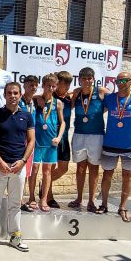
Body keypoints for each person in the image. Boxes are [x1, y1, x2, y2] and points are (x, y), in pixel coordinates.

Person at [0, 82, 35, 252]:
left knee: (15, 204)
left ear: (20, 95)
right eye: (9, 93)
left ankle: (15, 236)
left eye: (15, 93)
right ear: (5, 95)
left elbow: (31, 141)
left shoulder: (27, 116)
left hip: (18, 167)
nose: (12, 96)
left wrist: (22, 161)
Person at [98, 72, 131, 222]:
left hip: (130, 146)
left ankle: (123, 207)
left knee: (127, 176)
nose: (121, 82)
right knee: (107, 175)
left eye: (124, 80)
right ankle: (104, 204)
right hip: (110, 144)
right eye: (118, 80)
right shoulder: (110, 98)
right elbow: (97, 91)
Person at [67, 67, 107, 212]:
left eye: (89, 78)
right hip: (79, 134)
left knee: (94, 168)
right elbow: (65, 104)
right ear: (79, 80)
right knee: (80, 168)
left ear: (93, 79)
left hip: (96, 135)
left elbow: (118, 100)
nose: (87, 81)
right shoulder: (76, 93)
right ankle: (79, 198)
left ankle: (91, 200)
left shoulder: (101, 92)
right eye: (84, 78)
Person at [26, 73, 65, 213]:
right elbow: (27, 97)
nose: (51, 88)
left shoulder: (58, 103)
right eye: (48, 85)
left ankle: (44, 199)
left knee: (47, 171)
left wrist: (59, 137)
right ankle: (31, 197)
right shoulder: (35, 100)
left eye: (53, 86)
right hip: (36, 142)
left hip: (51, 143)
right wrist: (37, 97)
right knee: (34, 170)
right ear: (43, 86)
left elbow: (63, 123)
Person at [45, 71, 74, 208]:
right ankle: (48, 196)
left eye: (69, 83)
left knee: (63, 168)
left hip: (63, 137)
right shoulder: (50, 96)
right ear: (58, 83)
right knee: (49, 168)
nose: (67, 86)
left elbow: (80, 90)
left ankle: (44, 183)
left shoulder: (70, 99)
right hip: (51, 137)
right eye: (64, 83)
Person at [19, 75, 38, 212]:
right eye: (30, 85)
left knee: (26, 171)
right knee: (18, 170)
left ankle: (21, 198)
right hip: (19, 140)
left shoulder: (35, 102)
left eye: (35, 85)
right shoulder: (19, 101)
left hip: (30, 141)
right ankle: (17, 199)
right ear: (24, 86)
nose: (33, 87)